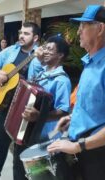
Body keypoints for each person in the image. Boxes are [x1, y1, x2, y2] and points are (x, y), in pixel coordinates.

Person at [47, 5, 105, 180]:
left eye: (83, 26)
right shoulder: (90, 63)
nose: (78, 32)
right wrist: (73, 118)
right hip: (81, 154)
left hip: (98, 160)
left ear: (100, 29)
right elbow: (95, 108)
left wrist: (79, 146)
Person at [0, 22, 43, 180]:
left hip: (25, 109)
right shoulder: (11, 50)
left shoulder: (40, 56)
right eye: (21, 32)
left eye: (26, 33)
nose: (21, 36)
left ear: (36, 38)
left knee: (21, 146)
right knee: (1, 143)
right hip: (5, 106)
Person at [21, 35, 72, 180]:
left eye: (50, 49)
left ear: (60, 55)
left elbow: (63, 111)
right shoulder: (41, 74)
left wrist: (40, 116)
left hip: (48, 136)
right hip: (34, 132)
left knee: (44, 174)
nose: (46, 52)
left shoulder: (62, 80)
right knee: (32, 173)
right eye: (45, 48)